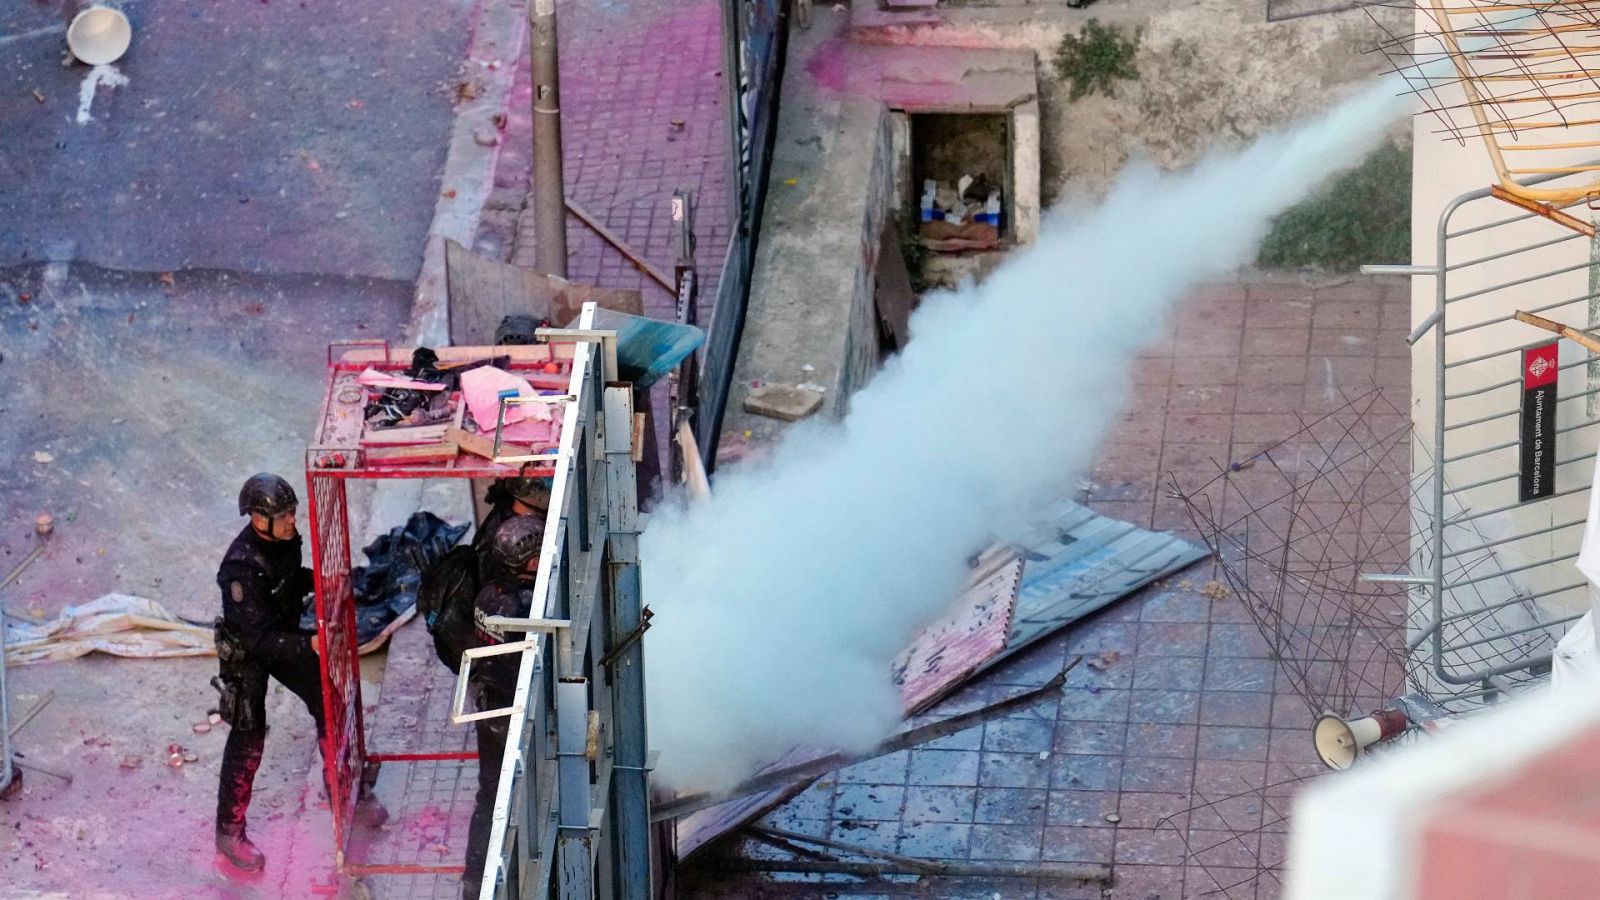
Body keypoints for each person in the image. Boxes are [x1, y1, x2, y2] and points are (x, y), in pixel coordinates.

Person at [212, 473, 323, 872]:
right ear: (260, 519)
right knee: (248, 738)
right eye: (285, 515)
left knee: (326, 695)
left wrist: (320, 583)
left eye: (293, 513)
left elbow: (289, 581)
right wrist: (307, 645)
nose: (293, 521)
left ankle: (345, 786)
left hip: (283, 634)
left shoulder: (281, 540)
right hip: (250, 652)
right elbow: (256, 639)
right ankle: (229, 832)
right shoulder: (241, 567)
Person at [460, 514, 543, 899]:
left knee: (489, 797)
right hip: (512, 712)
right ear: (527, 560)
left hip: (487, 708)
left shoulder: (488, 595)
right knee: (526, 797)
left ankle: (473, 881)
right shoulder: (525, 606)